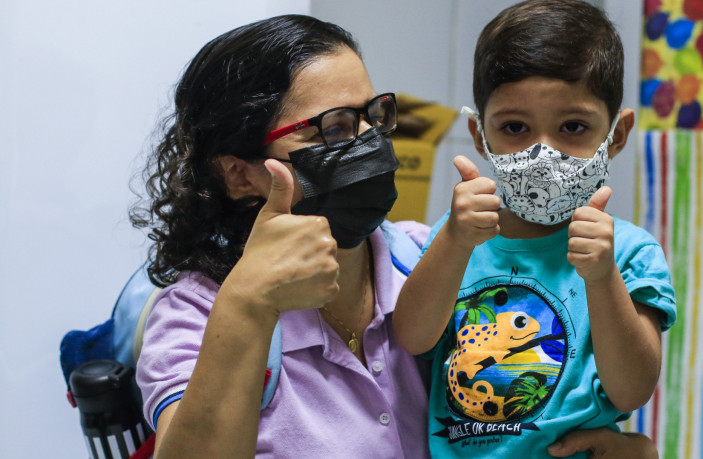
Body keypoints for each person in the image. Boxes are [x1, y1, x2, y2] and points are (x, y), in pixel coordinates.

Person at [131, 11, 666, 459]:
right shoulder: (196, 315)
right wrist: (248, 303)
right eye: (335, 128)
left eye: (373, 116)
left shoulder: (424, 254)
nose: (370, 144)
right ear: (241, 174)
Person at [393, 1, 677, 458]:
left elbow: (631, 392)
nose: (542, 152)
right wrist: (454, 241)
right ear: (480, 135)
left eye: (573, 126)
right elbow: (413, 337)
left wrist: (603, 277)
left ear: (616, 136)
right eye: (515, 127)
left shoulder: (629, 252)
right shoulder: (457, 235)